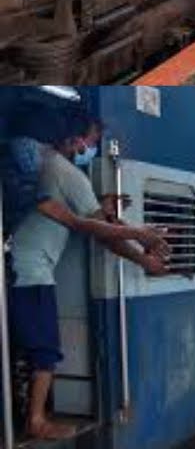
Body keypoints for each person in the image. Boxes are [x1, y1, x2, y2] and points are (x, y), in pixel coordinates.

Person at [6, 111, 171, 441]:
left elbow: (97, 220)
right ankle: (36, 421)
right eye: (93, 141)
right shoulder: (68, 173)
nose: (92, 148)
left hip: (18, 266)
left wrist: (124, 227)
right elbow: (102, 232)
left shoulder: (48, 166)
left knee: (28, 344)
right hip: (30, 270)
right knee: (46, 348)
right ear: (72, 140)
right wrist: (143, 255)